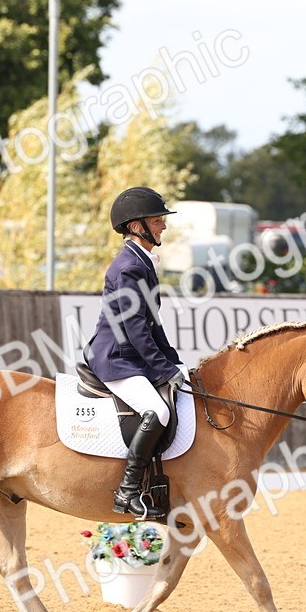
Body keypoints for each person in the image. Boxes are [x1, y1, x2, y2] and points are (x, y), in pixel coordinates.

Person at [84, 186, 185, 520]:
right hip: (116, 357)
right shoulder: (129, 266)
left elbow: (153, 325)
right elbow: (134, 328)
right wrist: (161, 369)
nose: (163, 227)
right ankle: (127, 492)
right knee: (158, 411)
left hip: (131, 355)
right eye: (157, 221)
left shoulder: (143, 262)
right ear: (136, 225)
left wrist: (172, 360)